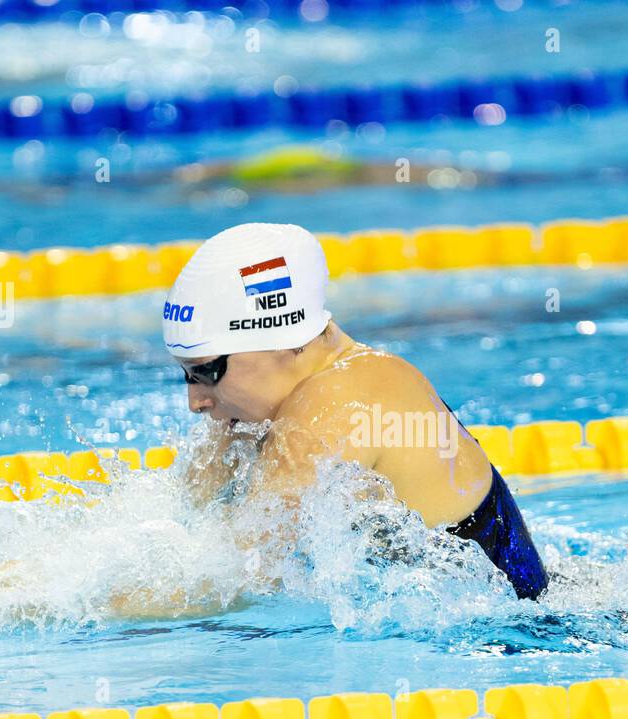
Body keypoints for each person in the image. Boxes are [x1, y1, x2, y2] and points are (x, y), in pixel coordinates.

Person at [162, 221, 548, 603]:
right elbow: (190, 531)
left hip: (514, 639)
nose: (195, 402)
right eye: (186, 375)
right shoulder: (249, 415)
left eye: (206, 372)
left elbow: (229, 582)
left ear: (279, 340)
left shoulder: (339, 399)